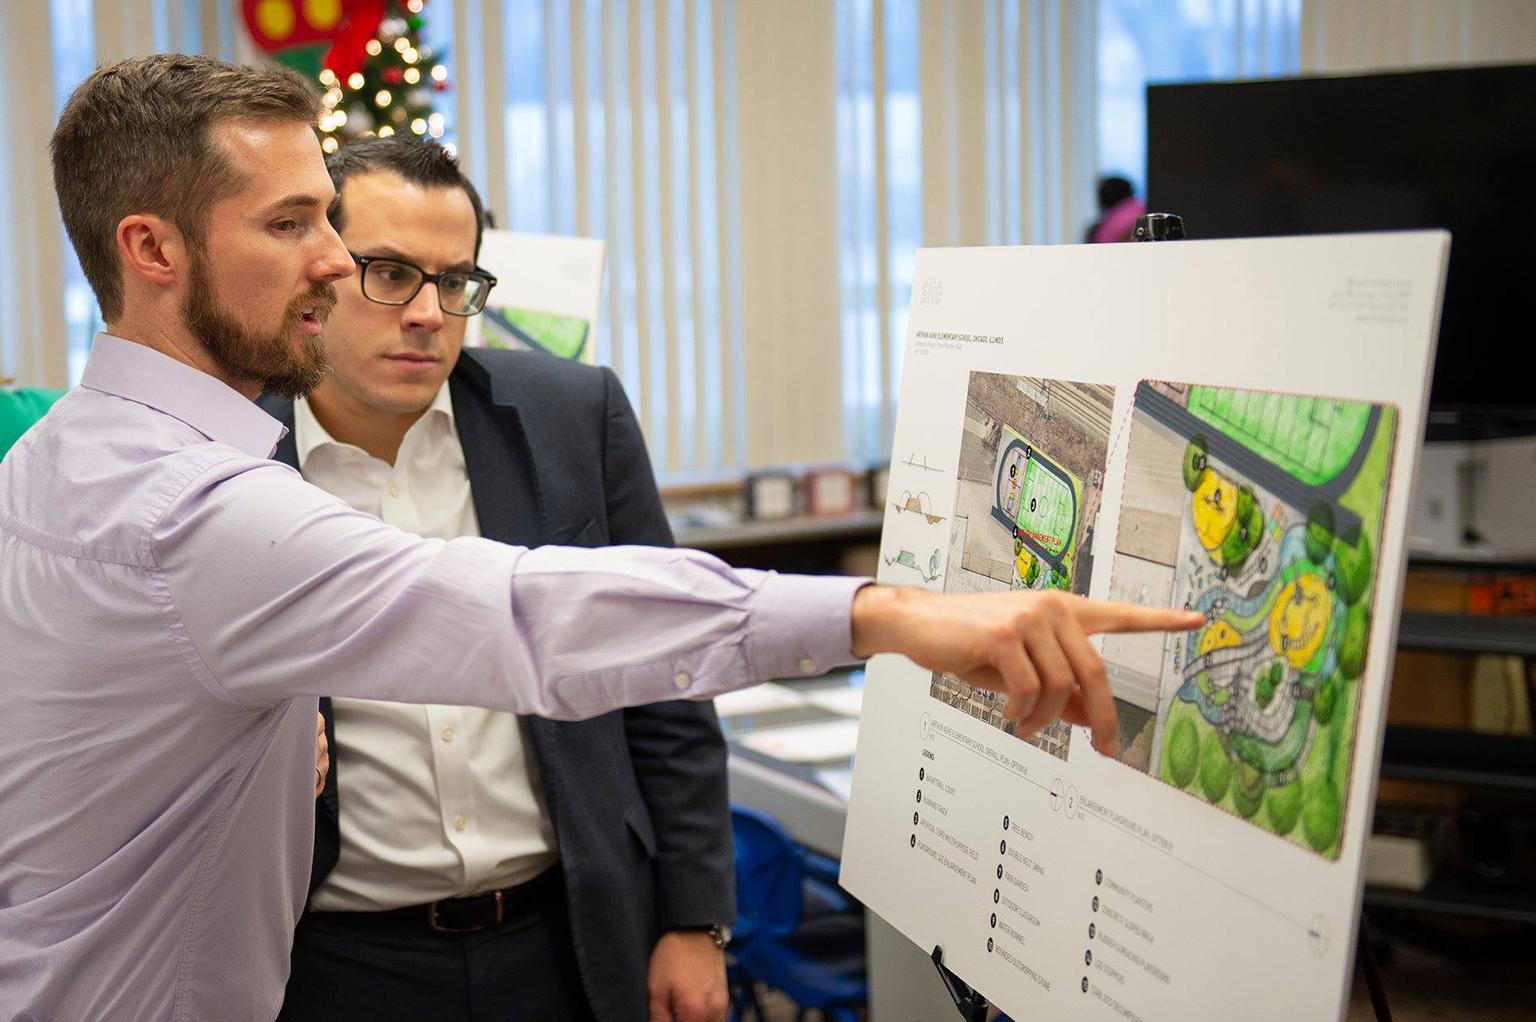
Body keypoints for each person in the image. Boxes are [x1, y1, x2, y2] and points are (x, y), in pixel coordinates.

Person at [0, 54, 1198, 1021]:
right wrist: (880, 612)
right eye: (296, 223)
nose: (333, 263)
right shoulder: (200, 509)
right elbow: (521, 614)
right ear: (152, 250)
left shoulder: (53, 459)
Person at [261, 137, 734, 1022]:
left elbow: (670, 669)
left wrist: (695, 919)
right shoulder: (236, 455)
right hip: (331, 961)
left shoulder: (571, 416)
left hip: (568, 939)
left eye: (455, 282)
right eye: (391, 274)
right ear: (318, 268)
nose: (428, 314)